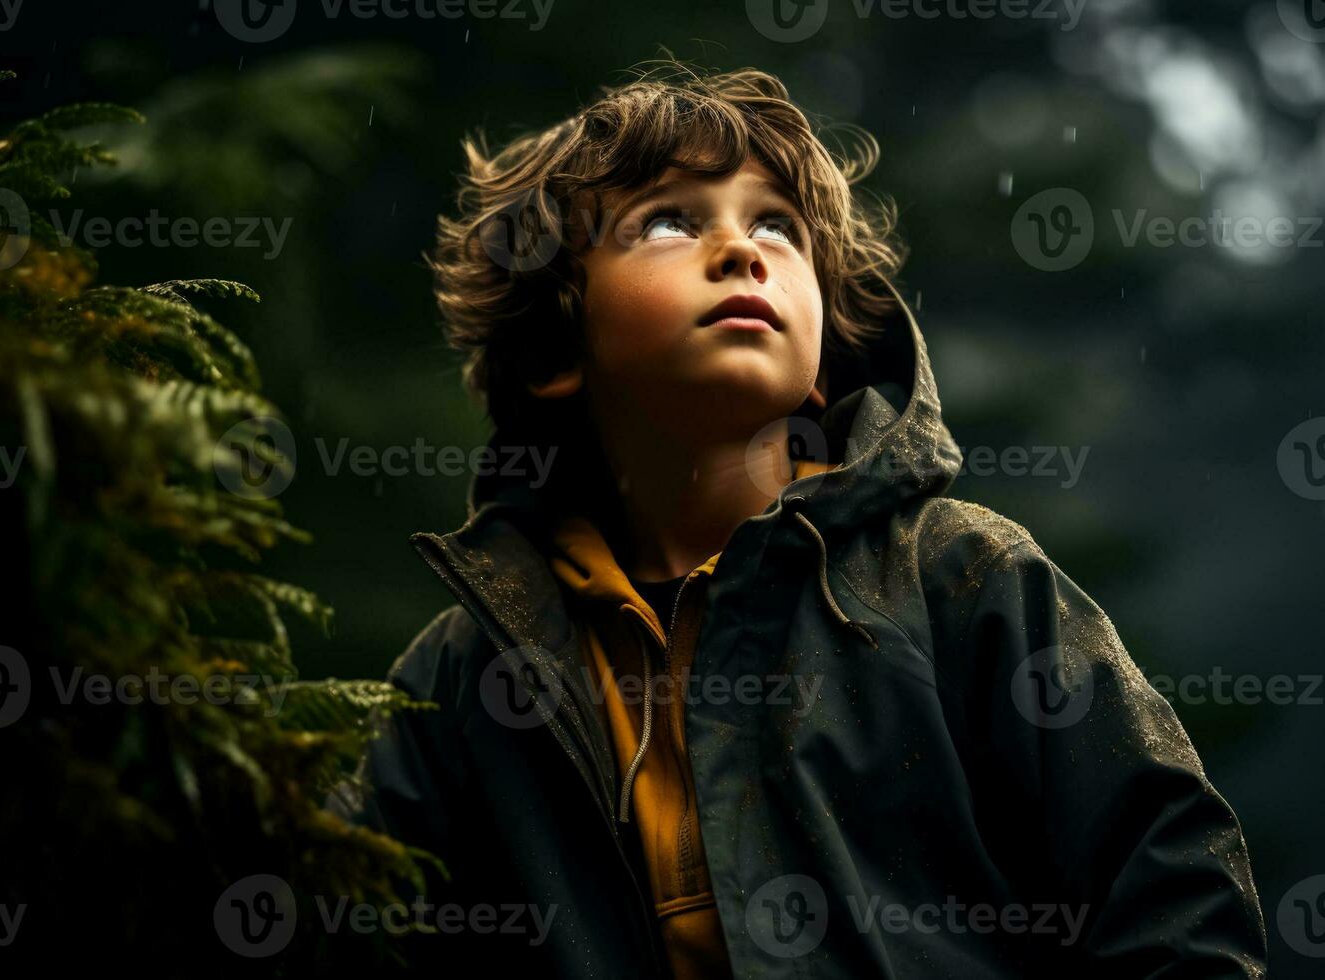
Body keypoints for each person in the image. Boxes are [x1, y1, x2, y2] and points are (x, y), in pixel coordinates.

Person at [338, 61, 1268, 978]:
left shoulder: (960, 577)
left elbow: (1171, 894)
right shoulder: (465, 675)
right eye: (667, 219)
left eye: (779, 229)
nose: (742, 249)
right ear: (551, 349)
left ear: (820, 358)